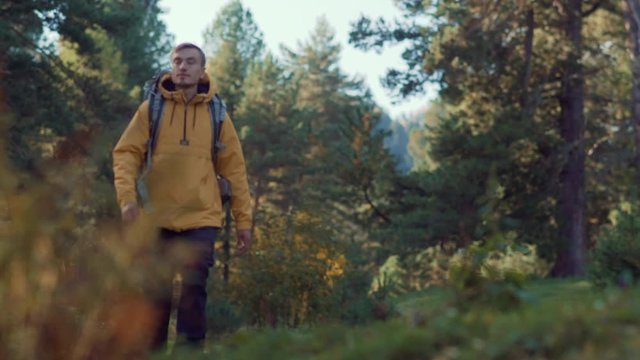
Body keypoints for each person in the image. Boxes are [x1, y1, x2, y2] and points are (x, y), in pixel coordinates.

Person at [112, 42, 252, 351]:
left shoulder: (217, 114)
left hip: (201, 218)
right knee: (156, 297)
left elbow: (236, 171)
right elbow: (125, 154)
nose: (182, 67)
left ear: (202, 70)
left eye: (190, 62)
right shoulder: (151, 109)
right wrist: (127, 199)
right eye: (177, 61)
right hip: (155, 218)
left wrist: (244, 221)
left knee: (193, 293)